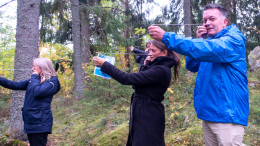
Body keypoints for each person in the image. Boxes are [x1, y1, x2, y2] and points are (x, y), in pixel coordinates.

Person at [148, 3, 249, 146]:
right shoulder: (208, 43)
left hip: (228, 115)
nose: (207, 23)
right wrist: (200, 39)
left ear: (225, 22)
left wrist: (166, 37)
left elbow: (209, 50)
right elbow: (192, 66)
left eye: (212, 19)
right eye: (204, 20)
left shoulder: (233, 40)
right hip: (209, 114)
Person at [93, 40, 180, 146]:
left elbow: (127, 79)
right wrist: (145, 65)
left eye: (153, 51)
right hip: (142, 110)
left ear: (164, 53)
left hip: (149, 114)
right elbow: (136, 85)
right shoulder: (155, 67)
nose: (150, 53)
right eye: (149, 50)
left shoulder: (161, 70)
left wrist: (104, 65)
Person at [0, 57, 60, 146]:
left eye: (34, 66)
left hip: (40, 123)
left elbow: (38, 92)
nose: (32, 69)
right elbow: (15, 85)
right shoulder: (35, 80)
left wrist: (34, 76)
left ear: (42, 67)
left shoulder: (52, 82)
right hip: (31, 121)